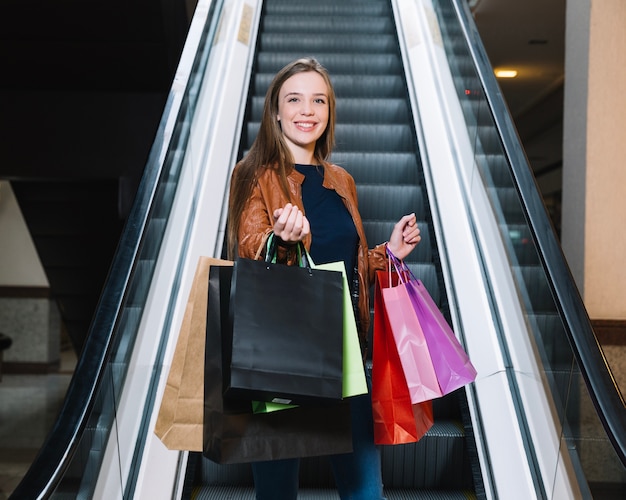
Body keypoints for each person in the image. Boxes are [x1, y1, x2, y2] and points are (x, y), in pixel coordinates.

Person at [227, 57, 421, 500]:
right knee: (276, 492)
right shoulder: (251, 174)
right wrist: (282, 241)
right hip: (280, 351)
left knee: (365, 491)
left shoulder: (342, 180)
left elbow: (341, 264)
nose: (307, 109)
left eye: (318, 100)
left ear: (329, 111)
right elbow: (249, 246)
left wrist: (387, 254)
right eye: (294, 99)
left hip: (344, 348)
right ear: (275, 110)